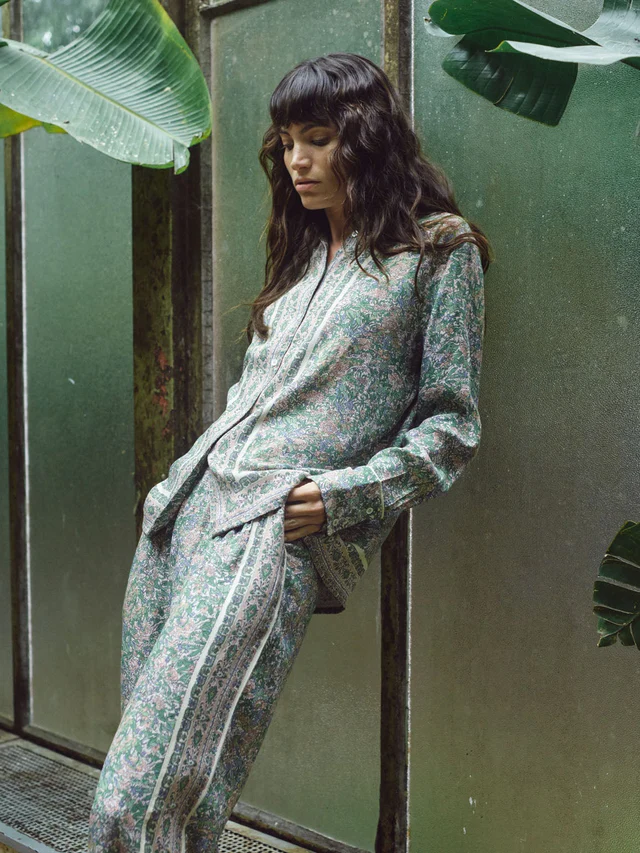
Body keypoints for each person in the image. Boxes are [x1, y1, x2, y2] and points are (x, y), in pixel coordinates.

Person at [88, 52, 491, 853]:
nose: (297, 160)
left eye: (318, 138)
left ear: (366, 137)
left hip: (269, 527)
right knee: (173, 792)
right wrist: (173, 487)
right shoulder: (303, 252)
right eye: (286, 142)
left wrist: (341, 497)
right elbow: (257, 397)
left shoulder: (440, 252)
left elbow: (451, 426)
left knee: (135, 798)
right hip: (181, 517)